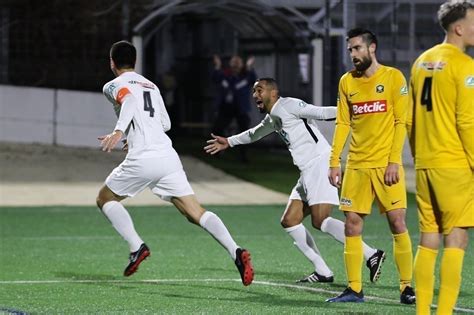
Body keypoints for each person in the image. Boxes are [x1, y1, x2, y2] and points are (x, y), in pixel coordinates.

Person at [96, 40, 254, 286]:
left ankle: (136, 246)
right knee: (195, 212)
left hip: (143, 157)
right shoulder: (151, 85)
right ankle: (235, 251)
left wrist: (119, 132)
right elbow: (166, 124)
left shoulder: (112, 85)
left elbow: (128, 100)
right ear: (135, 62)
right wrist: (134, 133)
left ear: (112, 62)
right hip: (167, 157)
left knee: (105, 199)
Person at [204, 77, 385, 284]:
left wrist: (354, 111)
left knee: (320, 220)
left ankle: (371, 254)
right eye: (254, 92)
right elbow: (255, 133)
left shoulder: (288, 105)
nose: (255, 96)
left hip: (320, 163)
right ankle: (323, 271)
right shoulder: (273, 117)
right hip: (307, 170)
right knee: (289, 221)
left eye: (259, 90)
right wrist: (229, 141)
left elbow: (321, 112)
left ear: (273, 93)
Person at [326, 28, 415, 304]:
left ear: (372, 48)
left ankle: (406, 288)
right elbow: (343, 123)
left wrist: (393, 161)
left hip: (385, 165)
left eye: (356, 48)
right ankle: (354, 289)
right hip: (357, 165)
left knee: (398, 222)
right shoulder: (346, 82)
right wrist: (334, 162)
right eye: (350, 49)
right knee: (351, 225)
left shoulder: (393, 78)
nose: (352, 54)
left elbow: (401, 122)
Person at [407, 2, 474, 314]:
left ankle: (423, 312)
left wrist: (419, 155)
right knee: (457, 241)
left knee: (428, 239)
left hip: (425, 164)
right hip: (455, 165)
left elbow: (411, 119)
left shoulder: (421, 61)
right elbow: (467, 123)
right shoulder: (465, 65)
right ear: (458, 28)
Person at [211, 54, 257, 163]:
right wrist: (217, 66)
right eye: (234, 62)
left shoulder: (245, 76)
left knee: (245, 132)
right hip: (226, 107)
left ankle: (243, 156)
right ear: (230, 64)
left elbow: (254, 80)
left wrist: (249, 67)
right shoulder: (225, 75)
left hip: (241, 108)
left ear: (242, 65)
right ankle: (216, 152)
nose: (236, 65)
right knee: (217, 129)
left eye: (238, 62)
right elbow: (215, 78)